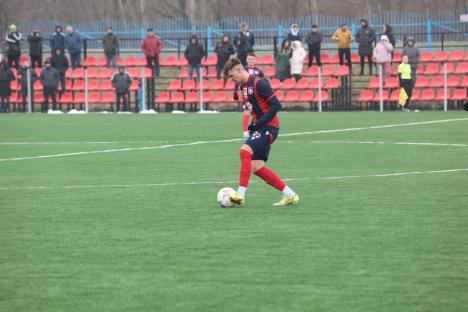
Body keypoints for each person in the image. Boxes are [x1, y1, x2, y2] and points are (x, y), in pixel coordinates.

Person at [223, 58, 299, 206]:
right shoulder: (242, 86)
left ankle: (240, 195)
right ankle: (290, 195)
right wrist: (254, 124)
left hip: (269, 127)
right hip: (260, 127)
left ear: (239, 70)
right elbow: (256, 108)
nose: (233, 80)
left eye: (233, 76)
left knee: (244, 151)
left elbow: (276, 105)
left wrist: (260, 123)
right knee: (257, 167)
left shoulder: (259, 82)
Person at [236, 52, 264, 139]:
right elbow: (237, 81)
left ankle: (256, 130)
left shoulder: (258, 71)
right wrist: (235, 91)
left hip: (257, 97)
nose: (251, 61)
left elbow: (263, 82)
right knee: (247, 112)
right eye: (249, 59)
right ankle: (245, 131)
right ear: (246, 60)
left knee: (257, 114)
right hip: (246, 96)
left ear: (255, 60)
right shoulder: (243, 70)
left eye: (252, 59)